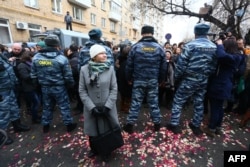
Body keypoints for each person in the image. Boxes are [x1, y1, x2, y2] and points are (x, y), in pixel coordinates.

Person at [166, 23, 217, 136]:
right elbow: (214, 65)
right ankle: (196, 125)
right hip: (203, 80)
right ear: (206, 32)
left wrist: (176, 78)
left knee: (178, 101)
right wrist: (206, 75)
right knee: (199, 102)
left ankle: (174, 124)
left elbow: (181, 65)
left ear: (195, 33)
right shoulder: (213, 46)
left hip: (189, 79)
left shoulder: (190, 45)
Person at [78, 44, 120, 161]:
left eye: (105, 53)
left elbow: (114, 88)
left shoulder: (110, 69)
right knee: (93, 130)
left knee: (107, 128)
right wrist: (91, 107)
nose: (105, 55)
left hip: (108, 106)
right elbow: (82, 90)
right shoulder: (84, 70)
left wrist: (108, 106)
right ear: (94, 56)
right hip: (91, 107)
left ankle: (107, 150)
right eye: (102, 53)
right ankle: (94, 149)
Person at [123, 25, 167, 133]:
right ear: (152, 33)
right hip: (153, 80)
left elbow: (129, 65)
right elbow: (164, 67)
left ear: (142, 33)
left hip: (138, 79)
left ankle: (129, 125)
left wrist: (128, 78)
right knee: (153, 102)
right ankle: (157, 124)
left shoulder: (135, 47)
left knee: (136, 102)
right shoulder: (160, 48)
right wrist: (161, 80)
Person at [30, 35, 77, 133]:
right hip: (59, 87)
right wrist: (71, 86)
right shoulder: (62, 58)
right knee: (64, 106)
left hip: (45, 87)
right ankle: (69, 125)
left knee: (47, 106)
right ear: (57, 45)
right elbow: (68, 76)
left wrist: (37, 86)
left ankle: (45, 125)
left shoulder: (36, 58)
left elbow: (33, 75)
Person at [203, 37, 245, 137]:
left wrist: (220, 44)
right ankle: (218, 127)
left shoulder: (233, 57)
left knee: (215, 108)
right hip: (225, 85)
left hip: (219, 85)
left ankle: (211, 128)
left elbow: (221, 55)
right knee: (220, 107)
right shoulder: (236, 56)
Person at [0, 53, 30, 145]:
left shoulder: (2, 57)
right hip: (1, 91)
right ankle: (1, 137)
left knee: (14, 108)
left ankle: (17, 125)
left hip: (9, 88)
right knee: (2, 114)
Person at [17, 51, 41, 124]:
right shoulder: (22, 65)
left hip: (33, 87)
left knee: (36, 102)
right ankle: (34, 118)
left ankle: (36, 115)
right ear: (28, 57)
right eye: (32, 57)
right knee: (35, 103)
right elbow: (25, 77)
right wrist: (35, 74)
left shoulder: (30, 64)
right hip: (28, 88)